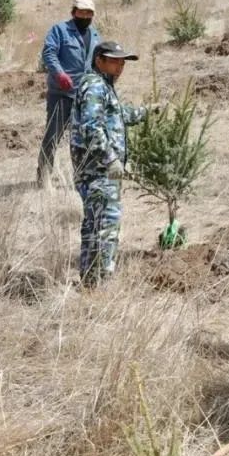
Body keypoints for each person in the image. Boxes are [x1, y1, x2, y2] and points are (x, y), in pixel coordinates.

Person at [69, 41, 149, 286]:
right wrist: (111, 159)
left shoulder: (103, 86)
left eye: (122, 62)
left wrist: (147, 112)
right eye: (114, 60)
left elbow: (117, 115)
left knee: (94, 224)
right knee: (106, 224)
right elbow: (92, 128)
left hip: (100, 170)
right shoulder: (95, 85)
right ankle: (102, 282)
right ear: (99, 61)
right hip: (98, 171)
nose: (120, 66)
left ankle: (90, 281)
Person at [37, 0, 101, 185]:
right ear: (74, 12)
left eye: (89, 13)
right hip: (61, 94)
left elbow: (98, 62)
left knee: (81, 138)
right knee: (53, 136)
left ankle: (80, 176)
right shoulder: (60, 30)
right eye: (81, 12)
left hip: (84, 96)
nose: (85, 16)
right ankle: (44, 176)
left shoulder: (95, 36)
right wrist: (59, 74)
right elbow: (49, 53)